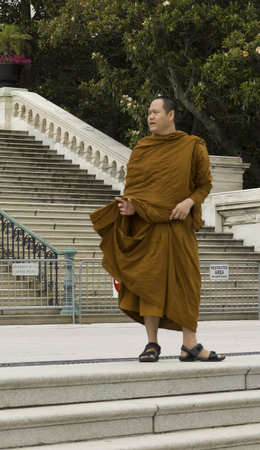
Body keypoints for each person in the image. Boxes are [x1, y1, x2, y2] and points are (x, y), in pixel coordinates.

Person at [90, 96, 225, 363]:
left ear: (171, 115)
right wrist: (131, 208)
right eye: (149, 113)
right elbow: (135, 190)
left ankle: (190, 345)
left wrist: (189, 202)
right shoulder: (142, 148)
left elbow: (204, 185)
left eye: (155, 112)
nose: (150, 117)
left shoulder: (192, 146)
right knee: (147, 284)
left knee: (188, 283)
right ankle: (152, 344)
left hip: (178, 226)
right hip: (147, 228)